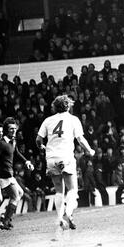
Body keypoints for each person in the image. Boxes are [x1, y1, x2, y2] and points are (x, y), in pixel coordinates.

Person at [36, 95, 95, 230]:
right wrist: (90, 150)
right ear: (68, 106)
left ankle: (60, 218)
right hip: (66, 157)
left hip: (51, 158)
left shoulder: (48, 120)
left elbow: (38, 140)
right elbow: (80, 139)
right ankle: (69, 213)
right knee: (72, 189)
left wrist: (42, 147)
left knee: (58, 190)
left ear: (55, 107)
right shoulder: (73, 119)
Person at [0, 118, 34, 230]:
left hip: (10, 175)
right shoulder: (1, 144)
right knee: (14, 196)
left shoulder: (13, 141)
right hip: (3, 176)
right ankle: (4, 221)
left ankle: (6, 216)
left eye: (15, 129)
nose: (13, 131)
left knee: (20, 193)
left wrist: (26, 161)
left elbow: (17, 152)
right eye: (11, 129)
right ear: (6, 130)